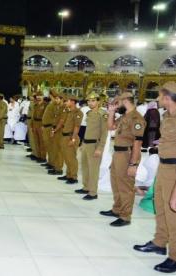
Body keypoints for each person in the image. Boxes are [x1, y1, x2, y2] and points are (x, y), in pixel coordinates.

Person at [134, 82, 176, 273]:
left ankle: (174, 257)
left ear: (168, 97)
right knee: (160, 206)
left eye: (160, 96)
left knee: (173, 213)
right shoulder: (167, 115)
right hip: (164, 166)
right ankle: (160, 242)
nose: (157, 99)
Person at [100, 92, 145, 227]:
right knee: (115, 183)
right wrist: (112, 112)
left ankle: (125, 216)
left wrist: (133, 163)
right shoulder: (125, 116)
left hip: (127, 154)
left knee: (125, 186)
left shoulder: (137, 118)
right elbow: (110, 127)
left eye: (117, 102)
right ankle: (117, 209)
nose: (115, 104)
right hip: (118, 154)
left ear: (125, 100)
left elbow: (138, 142)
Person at [76, 93, 108, 200]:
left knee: (93, 170)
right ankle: (86, 187)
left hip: (95, 145)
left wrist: (100, 148)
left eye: (93, 100)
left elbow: (104, 133)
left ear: (98, 102)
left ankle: (93, 192)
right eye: (89, 101)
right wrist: (83, 144)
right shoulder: (89, 113)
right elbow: (88, 130)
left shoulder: (102, 114)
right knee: (85, 167)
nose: (90, 103)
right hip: (86, 144)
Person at [57, 95, 83, 184]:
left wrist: (73, 139)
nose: (65, 103)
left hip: (71, 137)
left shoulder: (78, 112)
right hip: (64, 136)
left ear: (73, 102)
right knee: (66, 157)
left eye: (67, 101)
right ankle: (68, 174)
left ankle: (74, 177)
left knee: (71, 158)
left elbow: (77, 126)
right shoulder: (68, 111)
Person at [48, 93, 66, 175]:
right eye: (55, 99)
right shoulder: (57, 108)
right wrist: (53, 129)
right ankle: (55, 166)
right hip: (55, 129)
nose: (56, 100)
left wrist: (55, 130)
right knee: (54, 148)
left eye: (58, 99)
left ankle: (59, 168)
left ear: (62, 99)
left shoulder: (64, 108)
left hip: (60, 130)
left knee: (59, 150)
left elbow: (61, 121)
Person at [41, 91, 57, 169]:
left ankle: (53, 163)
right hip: (46, 126)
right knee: (48, 146)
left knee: (51, 146)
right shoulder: (51, 103)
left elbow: (55, 116)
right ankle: (50, 161)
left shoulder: (54, 104)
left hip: (50, 127)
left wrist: (52, 127)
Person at [31, 93, 47, 162]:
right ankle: (38, 155)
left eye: (40, 96)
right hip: (35, 123)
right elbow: (33, 116)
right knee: (36, 141)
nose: (38, 98)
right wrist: (32, 125)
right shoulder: (35, 105)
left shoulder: (46, 105)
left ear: (43, 97)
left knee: (42, 141)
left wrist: (44, 125)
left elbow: (46, 116)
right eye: (37, 96)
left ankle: (43, 157)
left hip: (41, 123)